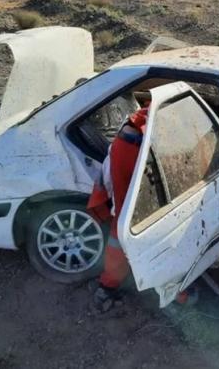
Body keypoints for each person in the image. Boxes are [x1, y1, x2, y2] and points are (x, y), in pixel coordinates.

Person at [86, 106, 149, 312]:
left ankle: (108, 284)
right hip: (140, 151)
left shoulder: (140, 118)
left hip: (128, 145)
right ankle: (108, 286)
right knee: (129, 224)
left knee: (122, 223)